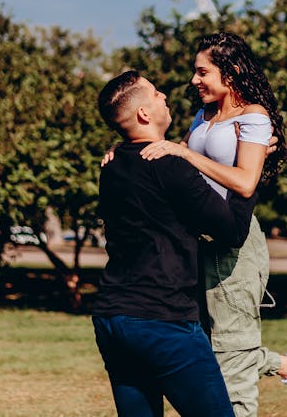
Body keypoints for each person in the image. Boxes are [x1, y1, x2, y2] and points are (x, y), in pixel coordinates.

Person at [140, 32, 287, 414]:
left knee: (230, 351)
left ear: (232, 71)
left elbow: (244, 181)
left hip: (233, 244)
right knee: (205, 344)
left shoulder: (253, 116)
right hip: (197, 241)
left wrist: (184, 153)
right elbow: (177, 164)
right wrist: (126, 153)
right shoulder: (203, 116)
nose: (194, 80)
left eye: (202, 71)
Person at [93, 69, 260, 417]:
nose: (164, 97)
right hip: (162, 321)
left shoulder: (111, 165)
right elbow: (231, 230)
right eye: (155, 94)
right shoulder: (171, 165)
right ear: (144, 114)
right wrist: (251, 173)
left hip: (112, 319)